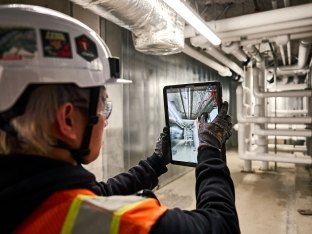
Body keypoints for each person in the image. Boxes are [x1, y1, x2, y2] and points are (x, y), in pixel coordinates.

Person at [0, 4, 240, 234]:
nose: (105, 120)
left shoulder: (26, 196)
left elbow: (97, 192)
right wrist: (209, 149)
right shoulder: (121, 224)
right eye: (103, 105)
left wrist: (156, 162)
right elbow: (221, 226)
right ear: (68, 120)